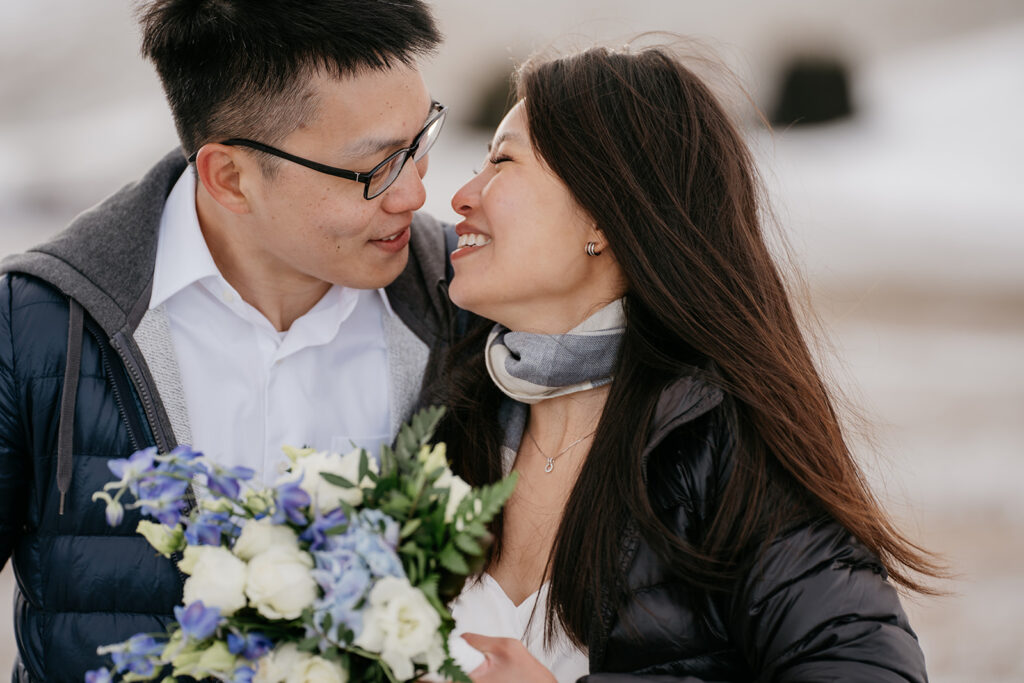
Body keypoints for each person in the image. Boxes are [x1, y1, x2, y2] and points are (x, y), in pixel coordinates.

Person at [438, 44, 942, 682]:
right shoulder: (450, 406)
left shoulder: (720, 443)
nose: (461, 195)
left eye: (501, 162)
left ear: (603, 213)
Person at [0, 1, 455, 680]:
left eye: (420, 142)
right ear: (230, 177)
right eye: (378, 167)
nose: (415, 192)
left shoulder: (465, 301)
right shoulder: (39, 322)